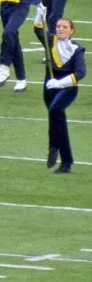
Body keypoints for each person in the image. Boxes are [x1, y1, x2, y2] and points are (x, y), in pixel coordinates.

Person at [44, 19, 85, 173]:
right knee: (55, 120)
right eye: (58, 26)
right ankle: (64, 160)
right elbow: (38, 30)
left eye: (65, 27)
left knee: (55, 110)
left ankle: (55, 147)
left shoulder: (77, 49)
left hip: (67, 88)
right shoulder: (50, 40)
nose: (60, 29)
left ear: (71, 30)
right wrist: (38, 16)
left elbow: (81, 73)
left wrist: (60, 83)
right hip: (48, 88)